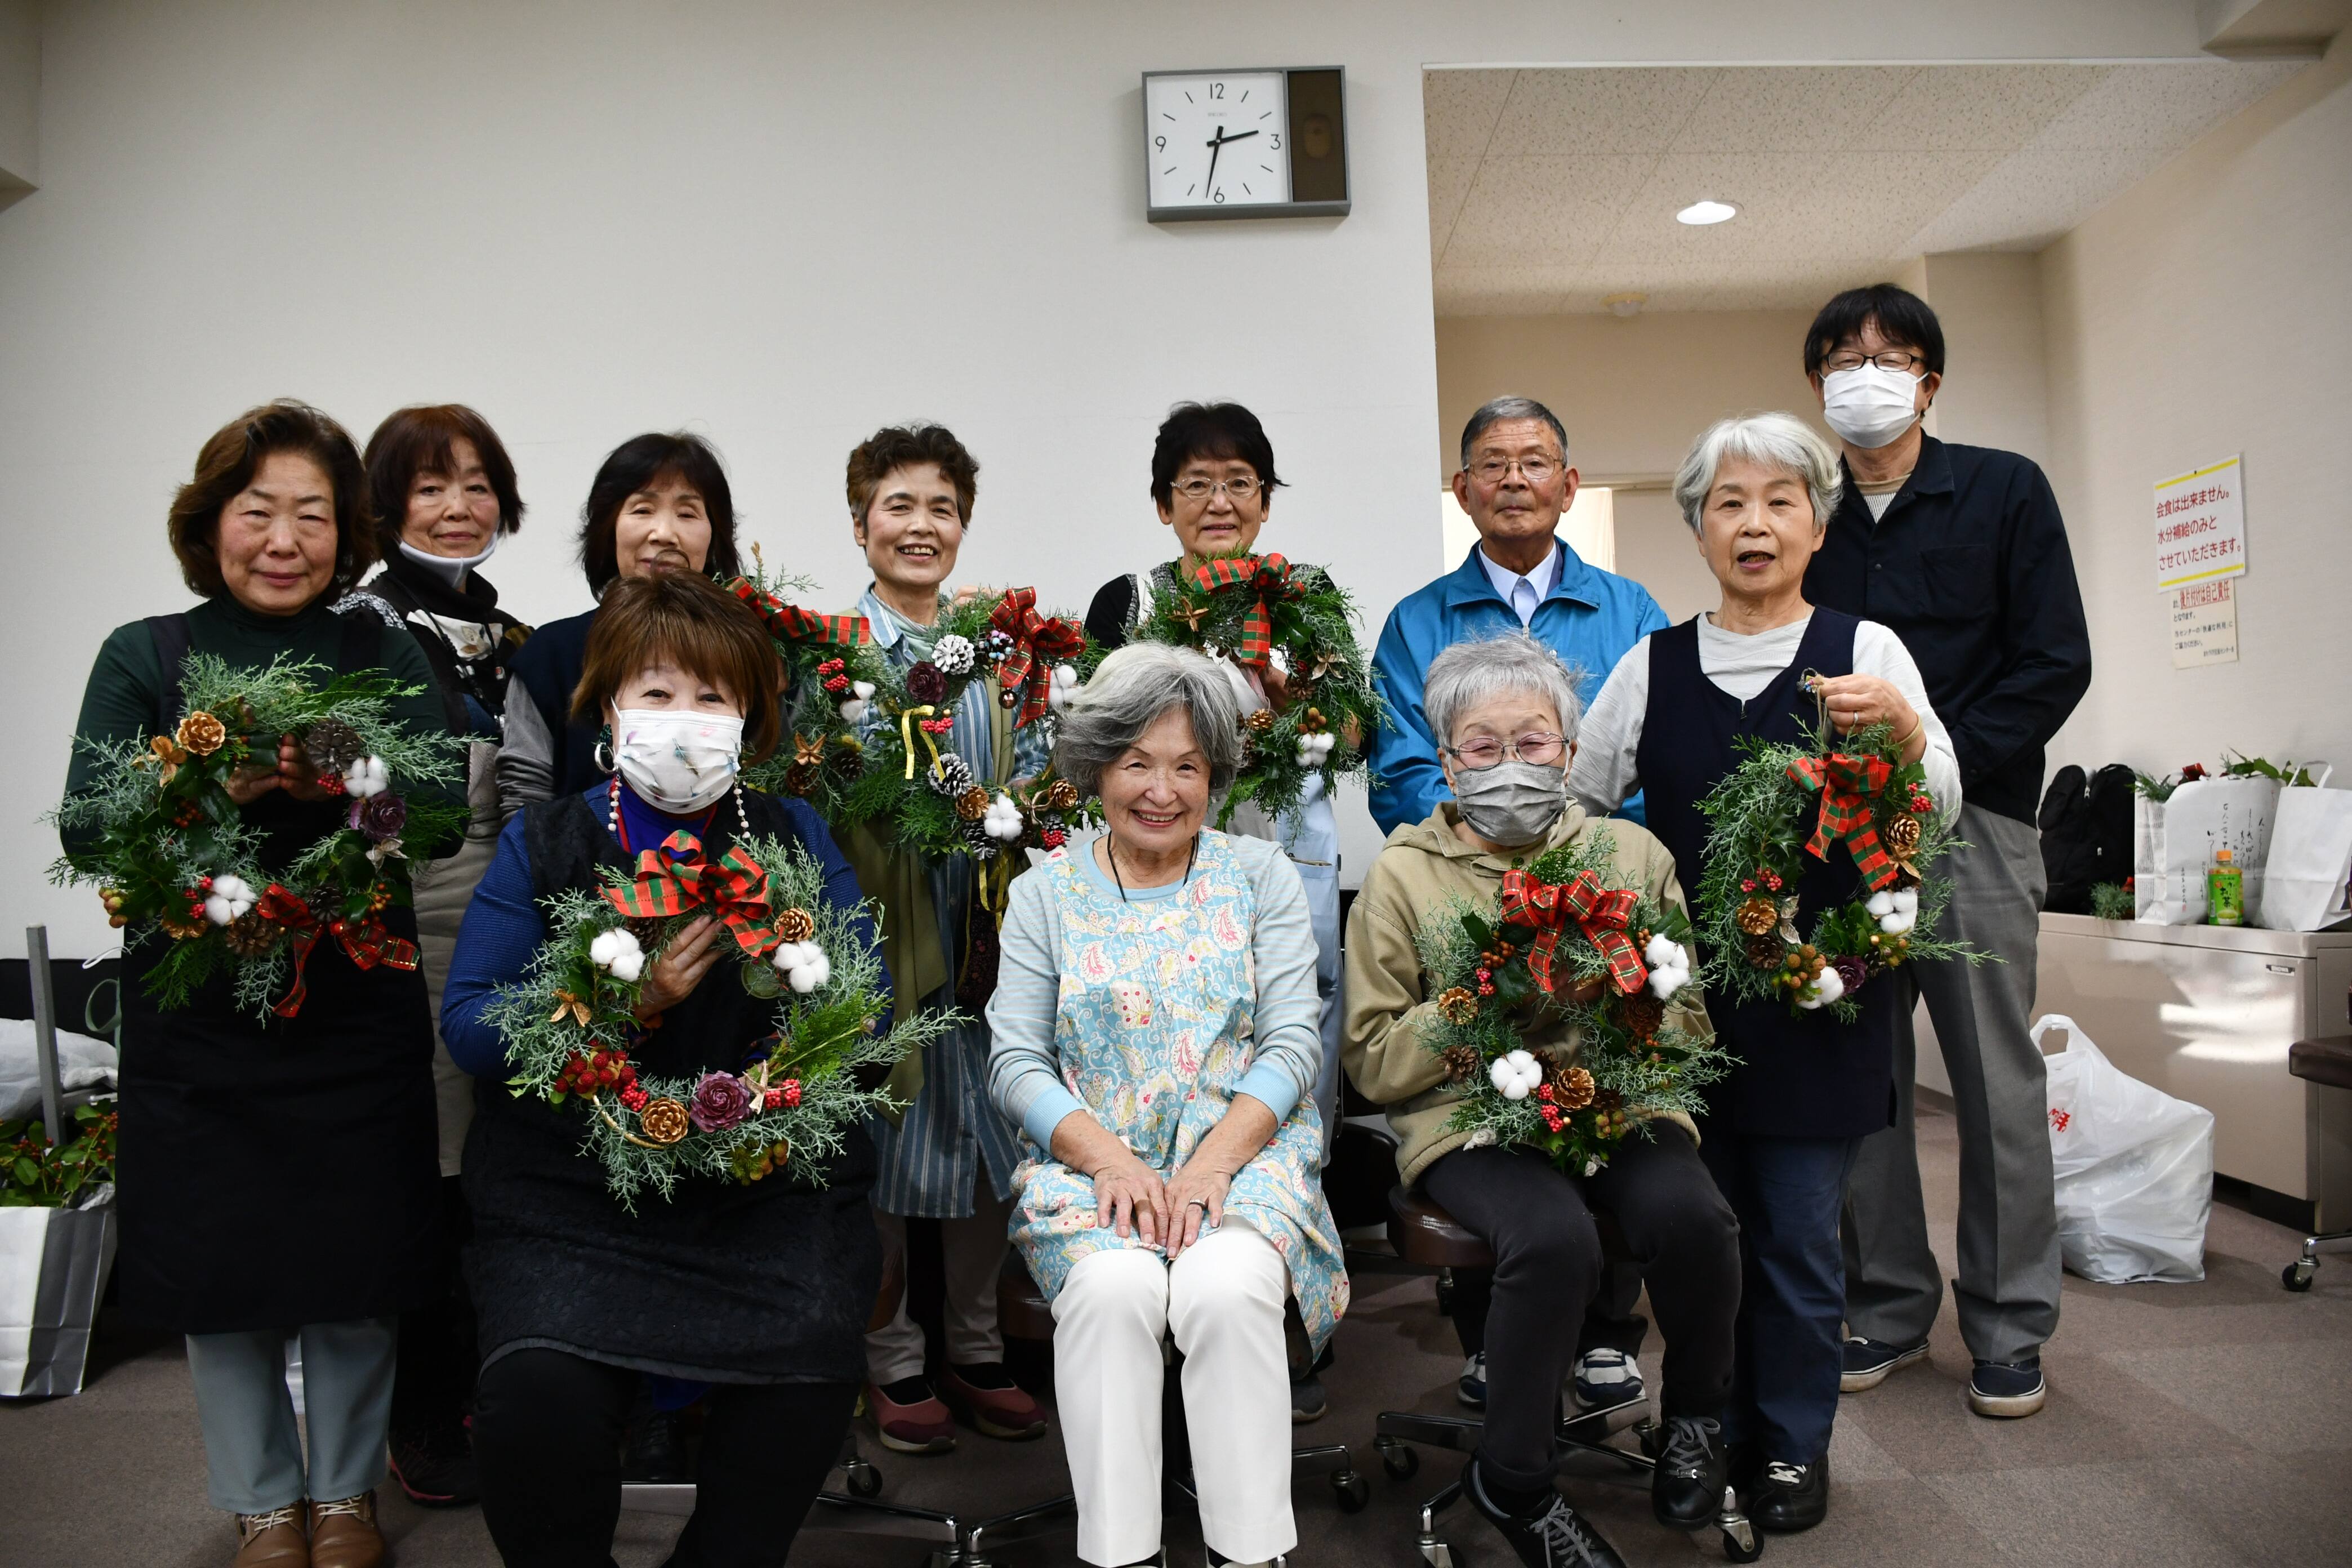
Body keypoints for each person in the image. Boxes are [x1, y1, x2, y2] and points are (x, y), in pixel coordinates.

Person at [62, 400, 451, 1568]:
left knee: (355, 1255)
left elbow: (433, 815)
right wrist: (205, 787)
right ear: (210, 522)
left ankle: (345, 1495)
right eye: (258, 511)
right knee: (218, 1259)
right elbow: (88, 826)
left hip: (352, 997)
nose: (284, 541)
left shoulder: (382, 651)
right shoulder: (146, 653)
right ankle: (263, 1504)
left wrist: (350, 781)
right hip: (201, 1009)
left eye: (313, 516)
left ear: (347, 532)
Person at [1569, 412, 1962, 1532]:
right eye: (1728, 503)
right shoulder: (1649, 665)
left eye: (1780, 501)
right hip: (1676, 1012)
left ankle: (1790, 1444)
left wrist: (1903, 736)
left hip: (1818, 1004)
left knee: (1795, 1239)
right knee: (1700, 1237)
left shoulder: (1867, 650)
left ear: (1818, 524)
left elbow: (1939, 805)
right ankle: (1705, 1426)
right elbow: (1580, 810)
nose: (1754, 523)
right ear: (1697, 529)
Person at [441, 570, 881, 1568]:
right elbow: (469, 1022)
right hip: (571, 1189)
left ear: (750, 721)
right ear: (609, 709)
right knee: (536, 1399)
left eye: (713, 696)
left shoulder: (793, 834)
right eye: (657, 692)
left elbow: (871, 1007)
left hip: (761, 1187)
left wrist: (775, 1060)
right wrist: (616, 1006)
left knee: (809, 1369)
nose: (684, 718)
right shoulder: (545, 840)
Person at [1348, 631, 1739, 1568]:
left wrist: (1622, 999)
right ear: (1447, 762)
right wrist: (1481, 998)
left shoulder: (1627, 854)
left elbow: (1691, 1023)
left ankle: (1695, 1418)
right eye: (1482, 747)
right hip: (1469, 1116)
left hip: (1619, 1098)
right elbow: (1372, 1060)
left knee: (1696, 1218)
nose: (1510, 765)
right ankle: (1515, 1482)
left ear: (1568, 751)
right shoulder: (1404, 873)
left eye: (1531, 742)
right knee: (1554, 1238)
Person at [1796, 284, 2091, 1420]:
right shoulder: (1804, 509)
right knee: (1859, 1078)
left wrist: (1943, 756)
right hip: (1841, 835)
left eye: (1892, 357)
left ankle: (2011, 1324)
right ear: (1816, 383)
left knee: (1995, 1080)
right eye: (1843, 359)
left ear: (1929, 381)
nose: (1866, 376)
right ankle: (1885, 1304)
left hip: (1980, 828)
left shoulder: (2006, 490)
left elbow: (2055, 658)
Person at [985, 643, 1346, 1568]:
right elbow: (1016, 1061)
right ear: (1095, 766)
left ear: (1215, 775)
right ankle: (1123, 1554)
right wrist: (1111, 1160)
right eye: (1136, 762)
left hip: (1243, 1156)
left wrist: (1212, 1164)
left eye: (1186, 766)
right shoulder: (1042, 893)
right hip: (1090, 1167)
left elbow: (1293, 1042)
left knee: (1225, 1288)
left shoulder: (1259, 874)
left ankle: (1248, 1552)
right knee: (1114, 1291)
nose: (1161, 789)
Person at [1367, 394, 1669, 1414]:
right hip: (1463, 889)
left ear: (1569, 484)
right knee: (1485, 1103)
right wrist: (1480, 849)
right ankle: (1490, 1337)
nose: (1513, 479)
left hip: (1594, 888)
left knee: (1604, 1079)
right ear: (1462, 489)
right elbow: (1403, 763)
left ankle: (1608, 1330)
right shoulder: (1418, 620)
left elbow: (1647, 758)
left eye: (1534, 460)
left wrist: (1579, 860)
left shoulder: (1631, 608)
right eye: (1491, 463)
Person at [1083, 400, 1344, 1422]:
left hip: (1282, 868)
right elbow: (1095, 737)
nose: (1220, 501)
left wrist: (1292, 700)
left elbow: (1352, 727)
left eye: (1240, 482)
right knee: (1154, 1068)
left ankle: (1280, 1314)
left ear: (1266, 500)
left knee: (1288, 1068)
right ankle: (1155, 1307)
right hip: (1154, 873)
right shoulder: (1128, 599)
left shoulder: (1304, 598)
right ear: (1164, 504)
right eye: (1197, 483)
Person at [837, 423, 1050, 1454]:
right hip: (881, 934)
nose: (921, 526)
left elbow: (1042, 768)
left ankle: (974, 1343)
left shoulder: (1003, 654)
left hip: (988, 933)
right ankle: (890, 1356)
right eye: (899, 506)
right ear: (861, 523)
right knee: (887, 1141)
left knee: (986, 1138)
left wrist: (1029, 809)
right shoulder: (832, 656)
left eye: (942, 508)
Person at [354, 402, 533, 1509]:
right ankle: (419, 1410)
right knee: (432, 1173)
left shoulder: (509, 633)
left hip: (511, 914)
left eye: (477, 485)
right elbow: (354, 794)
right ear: (388, 506)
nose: (460, 506)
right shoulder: (364, 623)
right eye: (431, 487)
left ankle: (496, 1394)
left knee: (504, 1167)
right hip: (408, 922)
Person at [497, 431, 745, 819]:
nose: (664, 533)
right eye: (643, 510)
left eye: (687, 514)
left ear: (715, 535)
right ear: (608, 526)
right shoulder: (550, 654)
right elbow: (523, 802)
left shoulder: (750, 650)